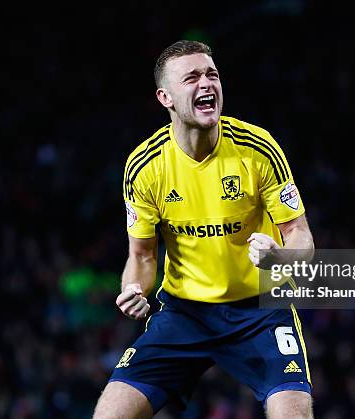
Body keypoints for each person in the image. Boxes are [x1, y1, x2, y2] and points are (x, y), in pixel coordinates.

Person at [93, 40, 315, 419]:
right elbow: (141, 255)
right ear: (165, 97)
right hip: (184, 314)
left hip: (259, 310)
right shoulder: (145, 167)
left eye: (212, 74)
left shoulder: (257, 149)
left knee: (293, 412)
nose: (207, 84)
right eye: (192, 77)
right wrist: (133, 288)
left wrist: (281, 257)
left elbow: (301, 237)